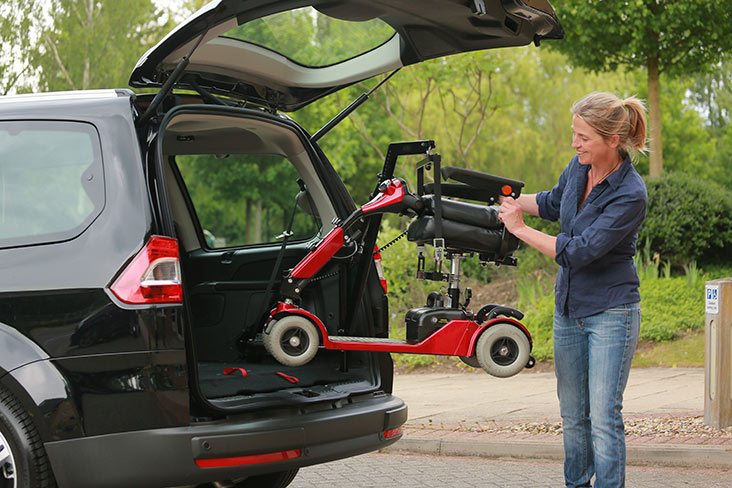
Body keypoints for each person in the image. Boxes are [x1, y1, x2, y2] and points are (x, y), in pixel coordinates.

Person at [498, 92, 648, 488]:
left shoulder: (630, 193)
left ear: (612, 140)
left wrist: (519, 229)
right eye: (574, 134)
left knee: (603, 417)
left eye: (583, 137)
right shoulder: (578, 168)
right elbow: (551, 202)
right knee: (573, 416)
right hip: (568, 310)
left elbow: (579, 252)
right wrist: (504, 200)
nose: (574, 143)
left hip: (611, 312)